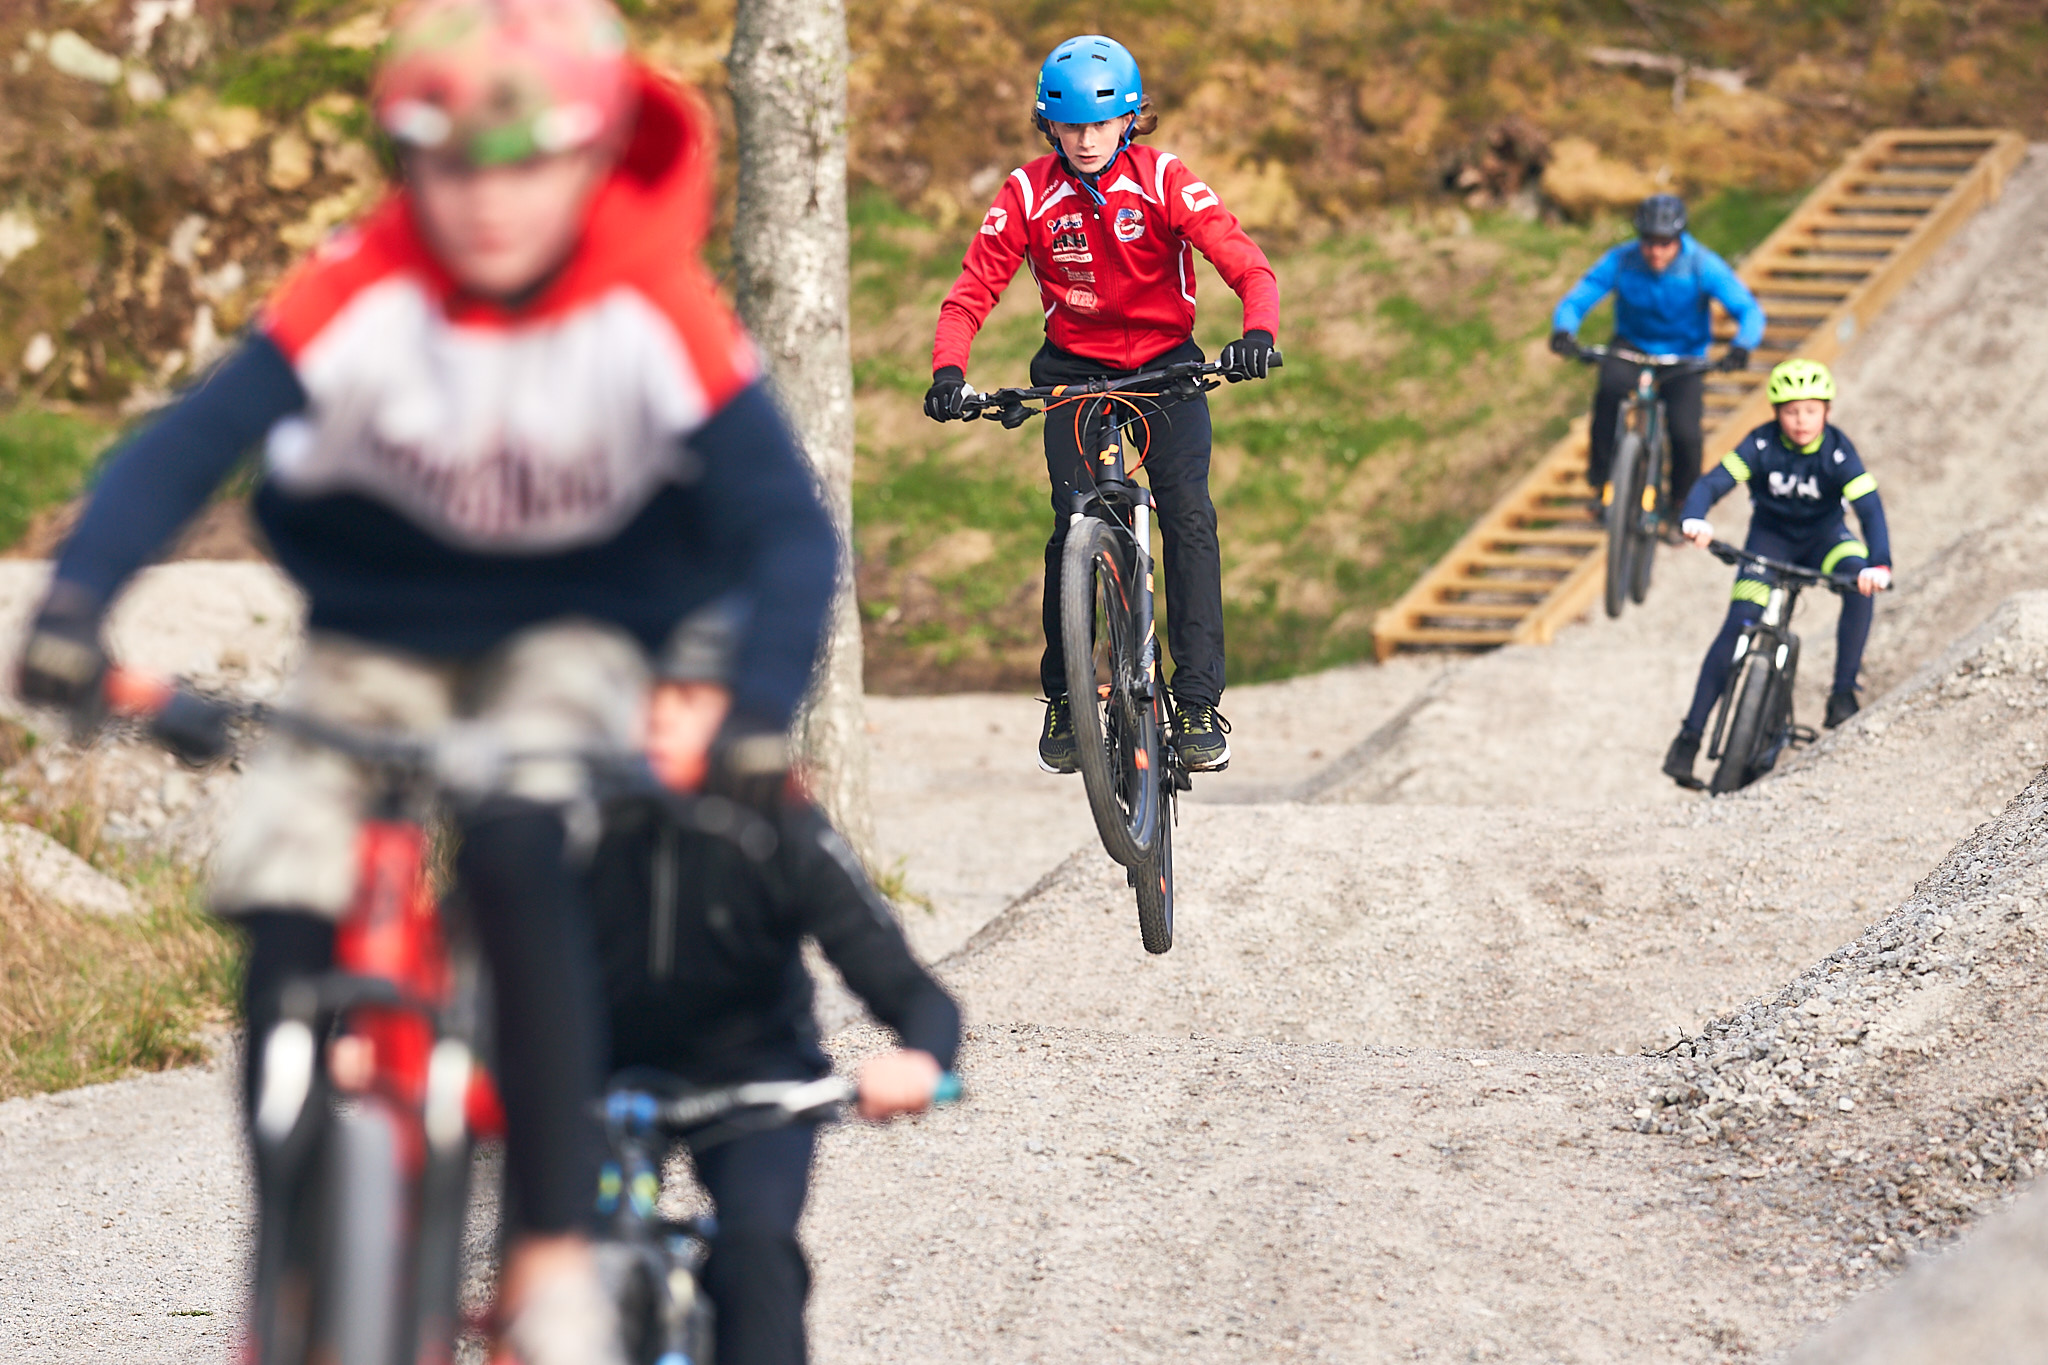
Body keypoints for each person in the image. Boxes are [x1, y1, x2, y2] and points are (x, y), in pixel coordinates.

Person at [11, 2, 837, 1360]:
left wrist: (751, 712)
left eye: (526, 166)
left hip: (568, 629)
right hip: (377, 635)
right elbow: (187, 446)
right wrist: (75, 607)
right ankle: (290, 1260)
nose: (486, 203)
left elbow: (786, 530)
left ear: (592, 160)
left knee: (519, 843)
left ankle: (549, 1252)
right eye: (448, 167)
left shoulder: (649, 303)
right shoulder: (364, 282)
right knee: (284, 884)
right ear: (405, 165)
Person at [588, 601, 961, 1365]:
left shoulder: (776, 824)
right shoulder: (575, 820)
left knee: (755, 1251)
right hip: (597, 1078)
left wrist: (921, 1058)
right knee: (559, 1268)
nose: (660, 715)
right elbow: (485, 962)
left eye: (686, 695)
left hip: (752, 1077)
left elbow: (909, 986)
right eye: (643, 693)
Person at [922, 33, 1280, 775]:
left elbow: (1247, 265)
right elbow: (970, 293)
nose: (1086, 141)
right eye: (1069, 125)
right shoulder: (1027, 193)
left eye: (1101, 123)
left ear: (1129, 119)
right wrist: (949, 372)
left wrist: (1257, 334)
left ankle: (1198, 702)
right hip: (1072, 374)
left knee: (1189, 516)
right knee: (1071, 527)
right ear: (1048, 124)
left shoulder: (1164, 180)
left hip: (1167, 369)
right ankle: (1065, 696)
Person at [1662, 358, 1892, 787]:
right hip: (1769, 542)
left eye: (1810, 410)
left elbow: (1870, 509)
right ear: (1776, 413)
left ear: (1826, 411)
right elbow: (1713, 482)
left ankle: (1843, 692)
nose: (1801, 420)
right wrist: (1694, 516)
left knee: (1859, 584)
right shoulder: (1761, 444)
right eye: (1791, 411)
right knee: (1737, 625)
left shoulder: (1839, 452)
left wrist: (1879, 563)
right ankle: (1689, 737)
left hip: (1825, 541)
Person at [1550, 194, 1766, 520]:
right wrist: (1564, 330)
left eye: (1665, 243)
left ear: (1679, 238)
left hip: (1684, 354)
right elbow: (1578, 299)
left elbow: (1748, 310)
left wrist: (1741, 346)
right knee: (1609, 392)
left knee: (1685, 433)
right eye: (1649, 242)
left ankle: (1681, 504)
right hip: (1632, 345)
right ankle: (1602, 481)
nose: (1656, 252)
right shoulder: (1622, 260)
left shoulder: (1702, 265)